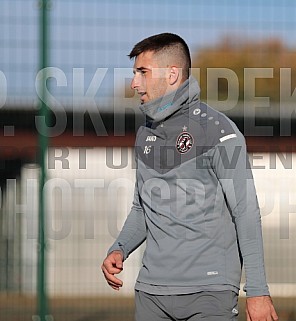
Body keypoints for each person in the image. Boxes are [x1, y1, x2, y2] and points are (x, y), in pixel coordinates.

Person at [101, 33, 278, 321]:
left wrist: (257, 290)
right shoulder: (145, 134)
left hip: (210, 294)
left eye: (142, 72)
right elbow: (142, 207)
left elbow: (245, 211)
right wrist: (119, 248)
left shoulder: (220, 132)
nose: (134, 83)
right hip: (151, 295)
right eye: (135, 74)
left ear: (172, 74)